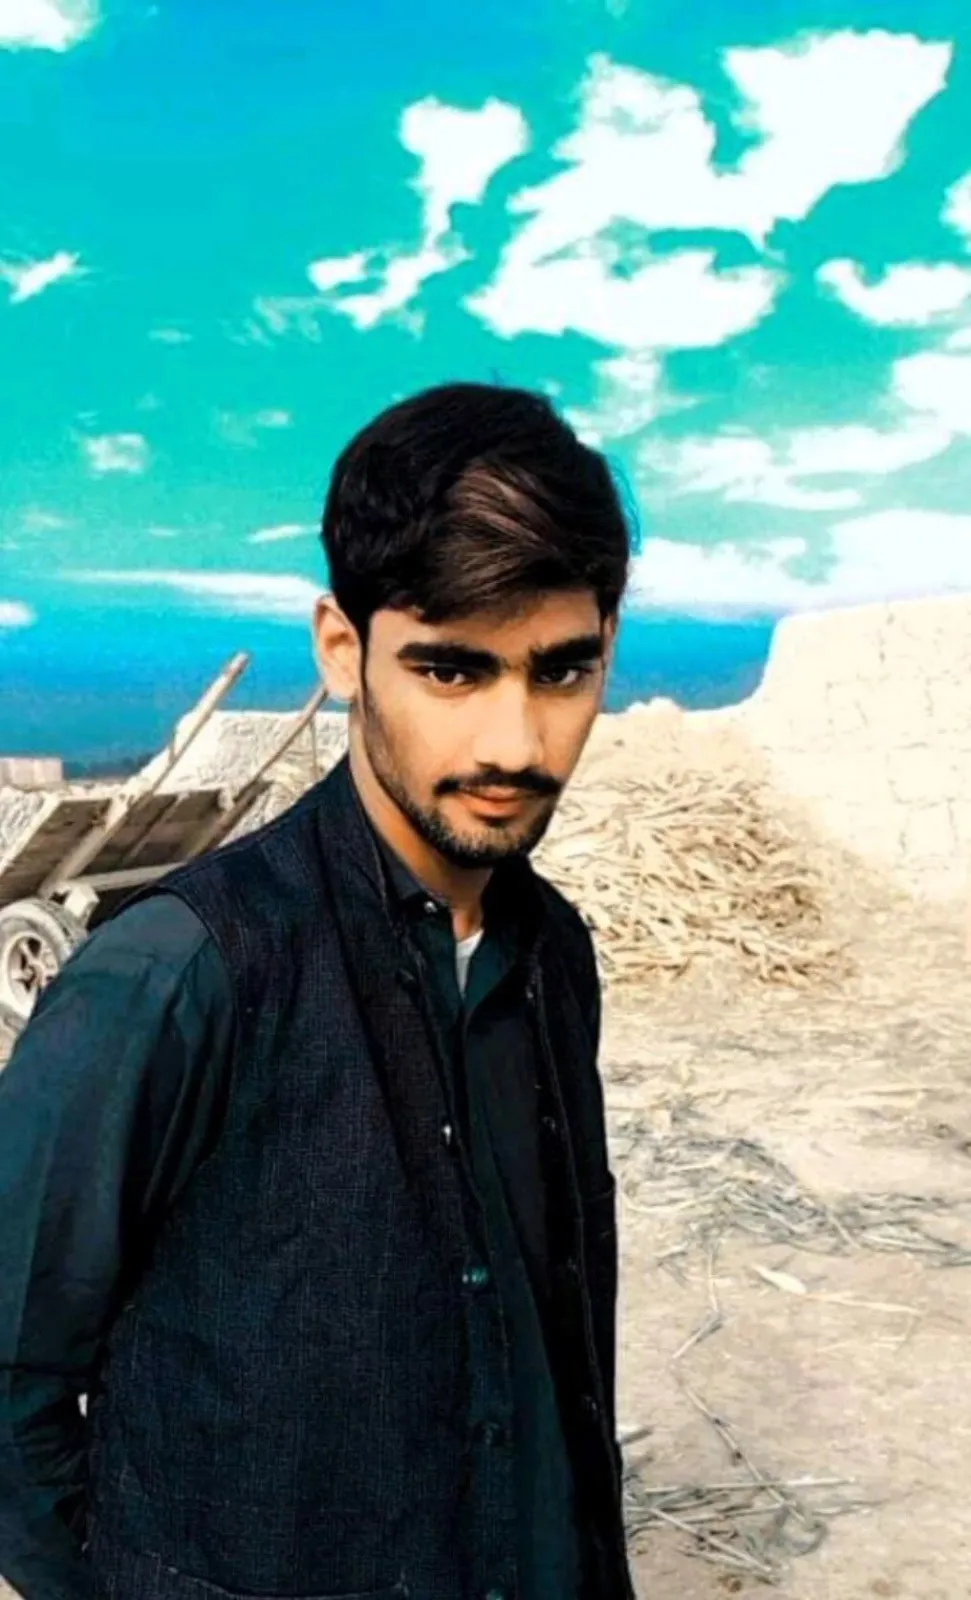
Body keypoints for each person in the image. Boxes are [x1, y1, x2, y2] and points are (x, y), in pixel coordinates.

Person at [0, 382, 637, 1600]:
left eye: (560, 672)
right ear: (343, 649)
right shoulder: (180, 972)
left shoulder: (552, 955)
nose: (514, 743)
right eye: (451, 671)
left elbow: (556, 1349)